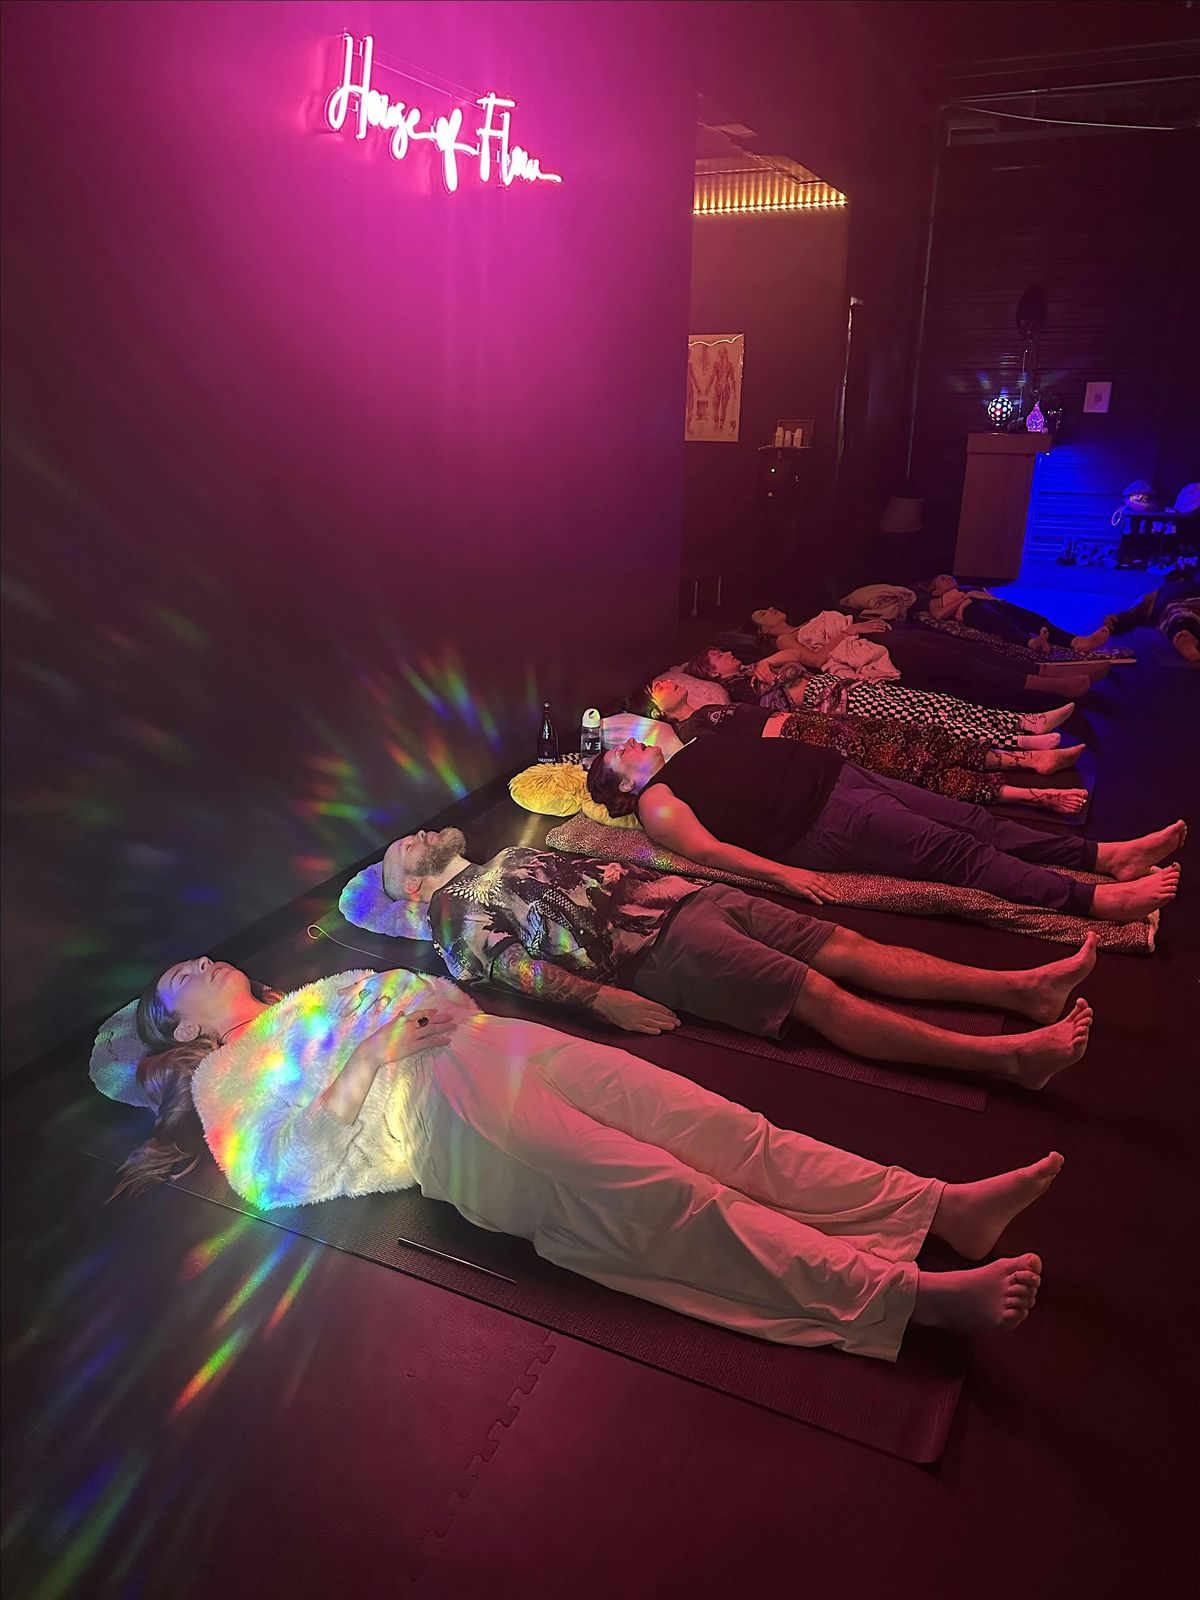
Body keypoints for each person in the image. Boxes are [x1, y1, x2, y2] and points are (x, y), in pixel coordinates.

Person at [108, 953, 1060, 1360]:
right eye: (176, 980)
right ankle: (905, 1299)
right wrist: (372, 1055)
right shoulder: (223, 1080)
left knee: (725, 1129)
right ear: (184, 1028)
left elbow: (429, 990)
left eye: (194, 957)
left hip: (493, 1047)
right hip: (439, 1116)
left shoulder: (318, 989)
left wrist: (433, 1012)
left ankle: (934, 1208)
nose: (195, 964)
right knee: (671, 1197)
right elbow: (276, 1176)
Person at [386, 828, 1098, 1089]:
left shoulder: (506, 852)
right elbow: (517, 970)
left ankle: (1020, 990)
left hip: (687, 899)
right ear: (413, 888)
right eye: (404, 851)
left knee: (852, 947)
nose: (416, 835)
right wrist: (603, 1000)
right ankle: (1006, 1059)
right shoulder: (449, 913)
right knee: (819, 994)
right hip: (658, 950)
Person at [585, 735, 1183, 924]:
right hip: (819, 821)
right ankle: (1090, 900)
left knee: (973, 819)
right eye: (621, 753)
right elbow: (711, 850)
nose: (632, 742)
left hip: (839, 777)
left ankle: (1102, 856)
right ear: (623, 785)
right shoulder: (656, 802)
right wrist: (784, 875)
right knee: (956, 853)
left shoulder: (683, 749)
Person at [642, 673, 1087, 816]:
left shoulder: (714, 703)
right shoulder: (690, 731)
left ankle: (1026, 759)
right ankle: (1032, 795)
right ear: (657, 711)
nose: (665, 683)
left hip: (811, 722)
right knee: (910, 766)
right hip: (799, 741)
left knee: (919, 736)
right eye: (656, 688)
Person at [688, 644, 1078, 750]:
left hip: (845, 688)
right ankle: (1018, 742)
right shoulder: (737, 692)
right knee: (931, 721)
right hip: (839, 706)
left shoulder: (755, 668)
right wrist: (780, 673)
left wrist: (769, 661)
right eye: (718, 655)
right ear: (711, 672)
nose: (728, 652)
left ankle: (1024, 721)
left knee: (936, 702)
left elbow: (797, 658)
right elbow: (785, 694)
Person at [750, 605, 1101, 704]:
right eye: (763, 614)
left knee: (965, 648)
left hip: (878, 637)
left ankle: (1044, 670)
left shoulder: (806, 619)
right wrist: (849, 631)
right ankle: (1048, 686)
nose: (771, 609)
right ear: (765, 631)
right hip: (868, 651)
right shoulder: (784, 642)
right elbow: (814, 661)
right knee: (960, 664)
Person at [925, 576, 1113, 655]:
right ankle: (1030, 643)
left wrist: (981, 595)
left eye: (948, 575)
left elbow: (992, 599)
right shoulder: (938, 600)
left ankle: (1075, 641)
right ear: (935, 591)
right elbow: (939, 615)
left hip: (988, 603)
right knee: (998, 622)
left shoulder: (968, 589)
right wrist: (964, 598)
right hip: (969, 610)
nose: (948, 578)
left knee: (1032, 618)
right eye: (942, 578)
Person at [1104, 573, 1200, 664]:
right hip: (1190, 602)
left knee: (1178, 619)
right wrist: (1118, 620)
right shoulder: (1163, 591)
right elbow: (1135, 611)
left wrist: (1119, 620)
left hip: (1177, 605)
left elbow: (1137, 610)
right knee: (1180, 617)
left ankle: (1187, 635)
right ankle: (1188, 637)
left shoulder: (1161, 592)